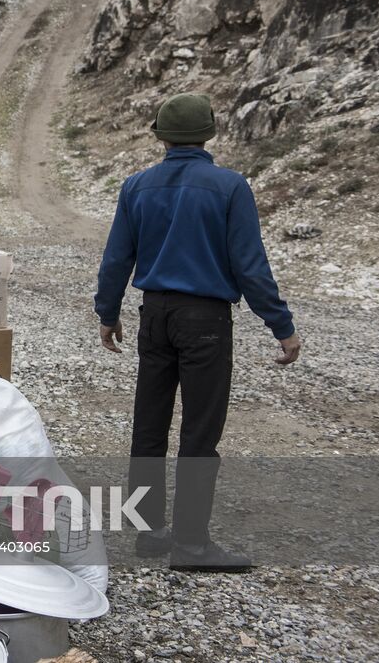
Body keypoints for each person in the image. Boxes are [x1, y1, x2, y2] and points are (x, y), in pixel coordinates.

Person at [94, 93, 301, 572]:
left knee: (148, 426)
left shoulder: (136, 186)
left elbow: (116, 260)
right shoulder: (230, 187)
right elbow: (250, 266)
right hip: (206, 321)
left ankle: (149, 533)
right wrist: (281, 326)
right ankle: (191, 545)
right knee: (199, 433)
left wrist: (108, 313)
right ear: (209, 133)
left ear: (161, 135)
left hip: (154, 316)